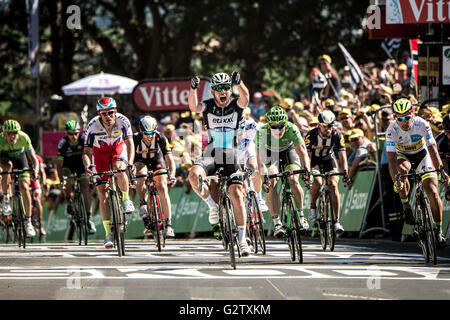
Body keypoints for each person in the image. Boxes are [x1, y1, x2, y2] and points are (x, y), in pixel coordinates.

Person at [188, 71, 252, 256]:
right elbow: (193, 106)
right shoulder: (207, 105)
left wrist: (240, 83)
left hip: (233, 152)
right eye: (218, 89)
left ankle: (241, 240)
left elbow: (246, 99)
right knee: (194, 175)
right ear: (213, 91)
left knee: (236, 193)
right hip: (212, 152)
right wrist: (193, 89)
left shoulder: (236, 103)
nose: (223, 92)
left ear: (230, 90)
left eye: (226, 88)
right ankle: (213, 207)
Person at [386, 98, 448, 249]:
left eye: (407, 117)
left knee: (432, 190)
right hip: (403, 156)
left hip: (422, 155)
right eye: (399, 118)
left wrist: (440, 169)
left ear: (412, 114)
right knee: (402, 171)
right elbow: (392, 160)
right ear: (395, 118)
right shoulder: (391, 130)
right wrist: (397, 180)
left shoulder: (422, 124)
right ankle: (406, 204)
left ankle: (438, 231)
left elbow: (433, 149)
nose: (404, 122)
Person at [83, 97, 135, 249]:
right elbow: (86, 151)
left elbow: (130, 143)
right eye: (103, 113)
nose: (107, 117)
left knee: (119, 167)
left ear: (115, 112)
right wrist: (87, 165)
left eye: (110, 113)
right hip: (99, 153)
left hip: (117, 148)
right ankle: (108, 234)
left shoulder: (123, 121)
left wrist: (130, 163)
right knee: (102, 192)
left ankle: (126, 200)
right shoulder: (92, 126)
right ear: (99, 114)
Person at [256, 106, 311, 237]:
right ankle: (277, 223)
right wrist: (264, 178)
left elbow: (303, 152)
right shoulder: (262, 132)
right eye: (274, 127)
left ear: (286, 123)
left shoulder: (292, 128)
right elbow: (261, 161)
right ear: (268, 126)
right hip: (271, 155)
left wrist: (307, 169)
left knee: (292, 180)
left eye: (281, 126)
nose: (278, 130)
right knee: (272, 180)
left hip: (289, 152)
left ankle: (301, 216)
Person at [305, 110, 350, 235]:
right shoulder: (311, 135)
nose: (328, 129)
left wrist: (345, 172)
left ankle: (336, 221)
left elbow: (342, 156)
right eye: (325, 126)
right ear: (319, 125)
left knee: (334, 185)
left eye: (330, 126)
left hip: (328, 160)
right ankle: (313, 206)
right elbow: (307, 157)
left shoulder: (337, 135)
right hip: (314, 160)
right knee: (318, 182)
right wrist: (308, 173)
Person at [134, 116, 177, 238]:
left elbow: (170, 159)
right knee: (140, 175)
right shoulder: (135, 139)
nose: (149, 136)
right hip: (140, 161)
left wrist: (172, 175)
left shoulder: (160, 138)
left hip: (156, 160)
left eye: (151, 133)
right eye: (146, 133)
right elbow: (129, 159)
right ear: (141, 131)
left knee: (162, 187)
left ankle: (169, 225)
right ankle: (142, 202)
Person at [56, 120, 96, 238]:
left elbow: (91, 156)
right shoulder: (63, 143)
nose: (74, 136)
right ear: (66, 134)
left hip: (81, 165)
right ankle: (69, 200)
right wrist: (61, 180)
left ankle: (89, 218)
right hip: (67, 166)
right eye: (71, 134)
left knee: (85, 186)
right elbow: (59, 164)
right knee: (66, 177)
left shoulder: (84, 140)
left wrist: (92, 174)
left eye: (76, 133)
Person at [0, 120, 39, 237]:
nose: (12, 136)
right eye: (8, 134)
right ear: (4, 133)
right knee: (8, 167)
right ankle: (6, 198)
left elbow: (34, 159)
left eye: (14, 133)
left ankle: (28, 222)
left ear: (18, 133)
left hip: (20, 158)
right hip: (4, 158)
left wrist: (35, 172)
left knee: (24, 187)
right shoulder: (0, 140)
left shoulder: (24, 138)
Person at [29, 153, 46, 236]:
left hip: (34, 180)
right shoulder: (19, 155)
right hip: (24, 180)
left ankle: (40, 224)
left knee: (38, 200)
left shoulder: (38, 158)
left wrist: (44, 184)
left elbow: (42, 172)